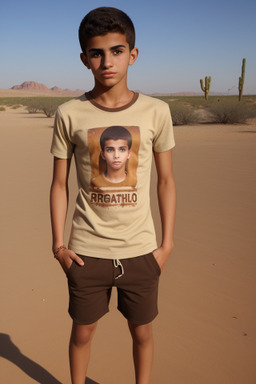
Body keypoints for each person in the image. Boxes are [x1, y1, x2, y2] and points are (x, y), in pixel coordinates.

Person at [50, 6, 176, 384]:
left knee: (142, 332)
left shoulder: (157, 111)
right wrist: (59, 247)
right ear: (85, 58)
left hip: (141, 251)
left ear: (132, 55)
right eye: (97, 53)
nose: (108, 61)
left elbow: (166, 181)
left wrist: (166, 246)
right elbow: (59, 183)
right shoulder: (69, 114)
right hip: (86, 253)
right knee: (83, 332)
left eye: (117, 51)